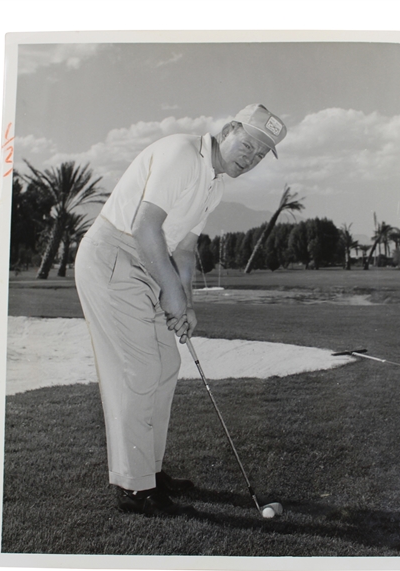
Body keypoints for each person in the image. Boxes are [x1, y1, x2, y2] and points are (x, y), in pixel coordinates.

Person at [74, 104, 287, 516]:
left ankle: (149, 472)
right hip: (112, 256)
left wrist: (184, 302)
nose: (251, 157)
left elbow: (185, 249)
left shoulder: (216, 184)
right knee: (139, 370)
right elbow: (144, 227)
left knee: (166, 363)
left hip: (147, 262)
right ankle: (133, 488)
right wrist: (170, 291)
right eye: (248, 145)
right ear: (228, 129)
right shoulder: (181, 154)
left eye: (261, 155)